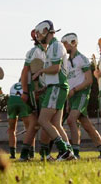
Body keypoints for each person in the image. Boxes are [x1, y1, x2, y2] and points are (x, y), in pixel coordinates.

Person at [32, 20, 75, 161]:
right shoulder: (52, 46)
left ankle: (64, 150)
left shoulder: (55, 46)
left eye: (38, 33)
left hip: (57, 87)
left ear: (45, 30)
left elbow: (56, 68)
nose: (37, 36)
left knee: (43, 120)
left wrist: (40, 72)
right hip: (57, 86)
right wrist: (45, 86)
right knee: (56, 123)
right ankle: (69, 151)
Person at [61, 33, 101, 159]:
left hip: (81, 94)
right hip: (72, 96)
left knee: (71, 120)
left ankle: (75, 153)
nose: (64, 46)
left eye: (65, 43)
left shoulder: (82, 59)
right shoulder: (65, 61)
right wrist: (68, 99)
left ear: (73, 42)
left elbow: (89, 80)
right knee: (86, 125)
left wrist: (75, 90)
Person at [17, 29, 48, 161]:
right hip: (35, 90)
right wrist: (26, 91)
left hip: (41, 89)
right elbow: (26, 71)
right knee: (43, 122)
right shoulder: (35, 51)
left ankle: (29, 154)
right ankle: (43, 153)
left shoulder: (45, 51)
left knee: (36, 124)